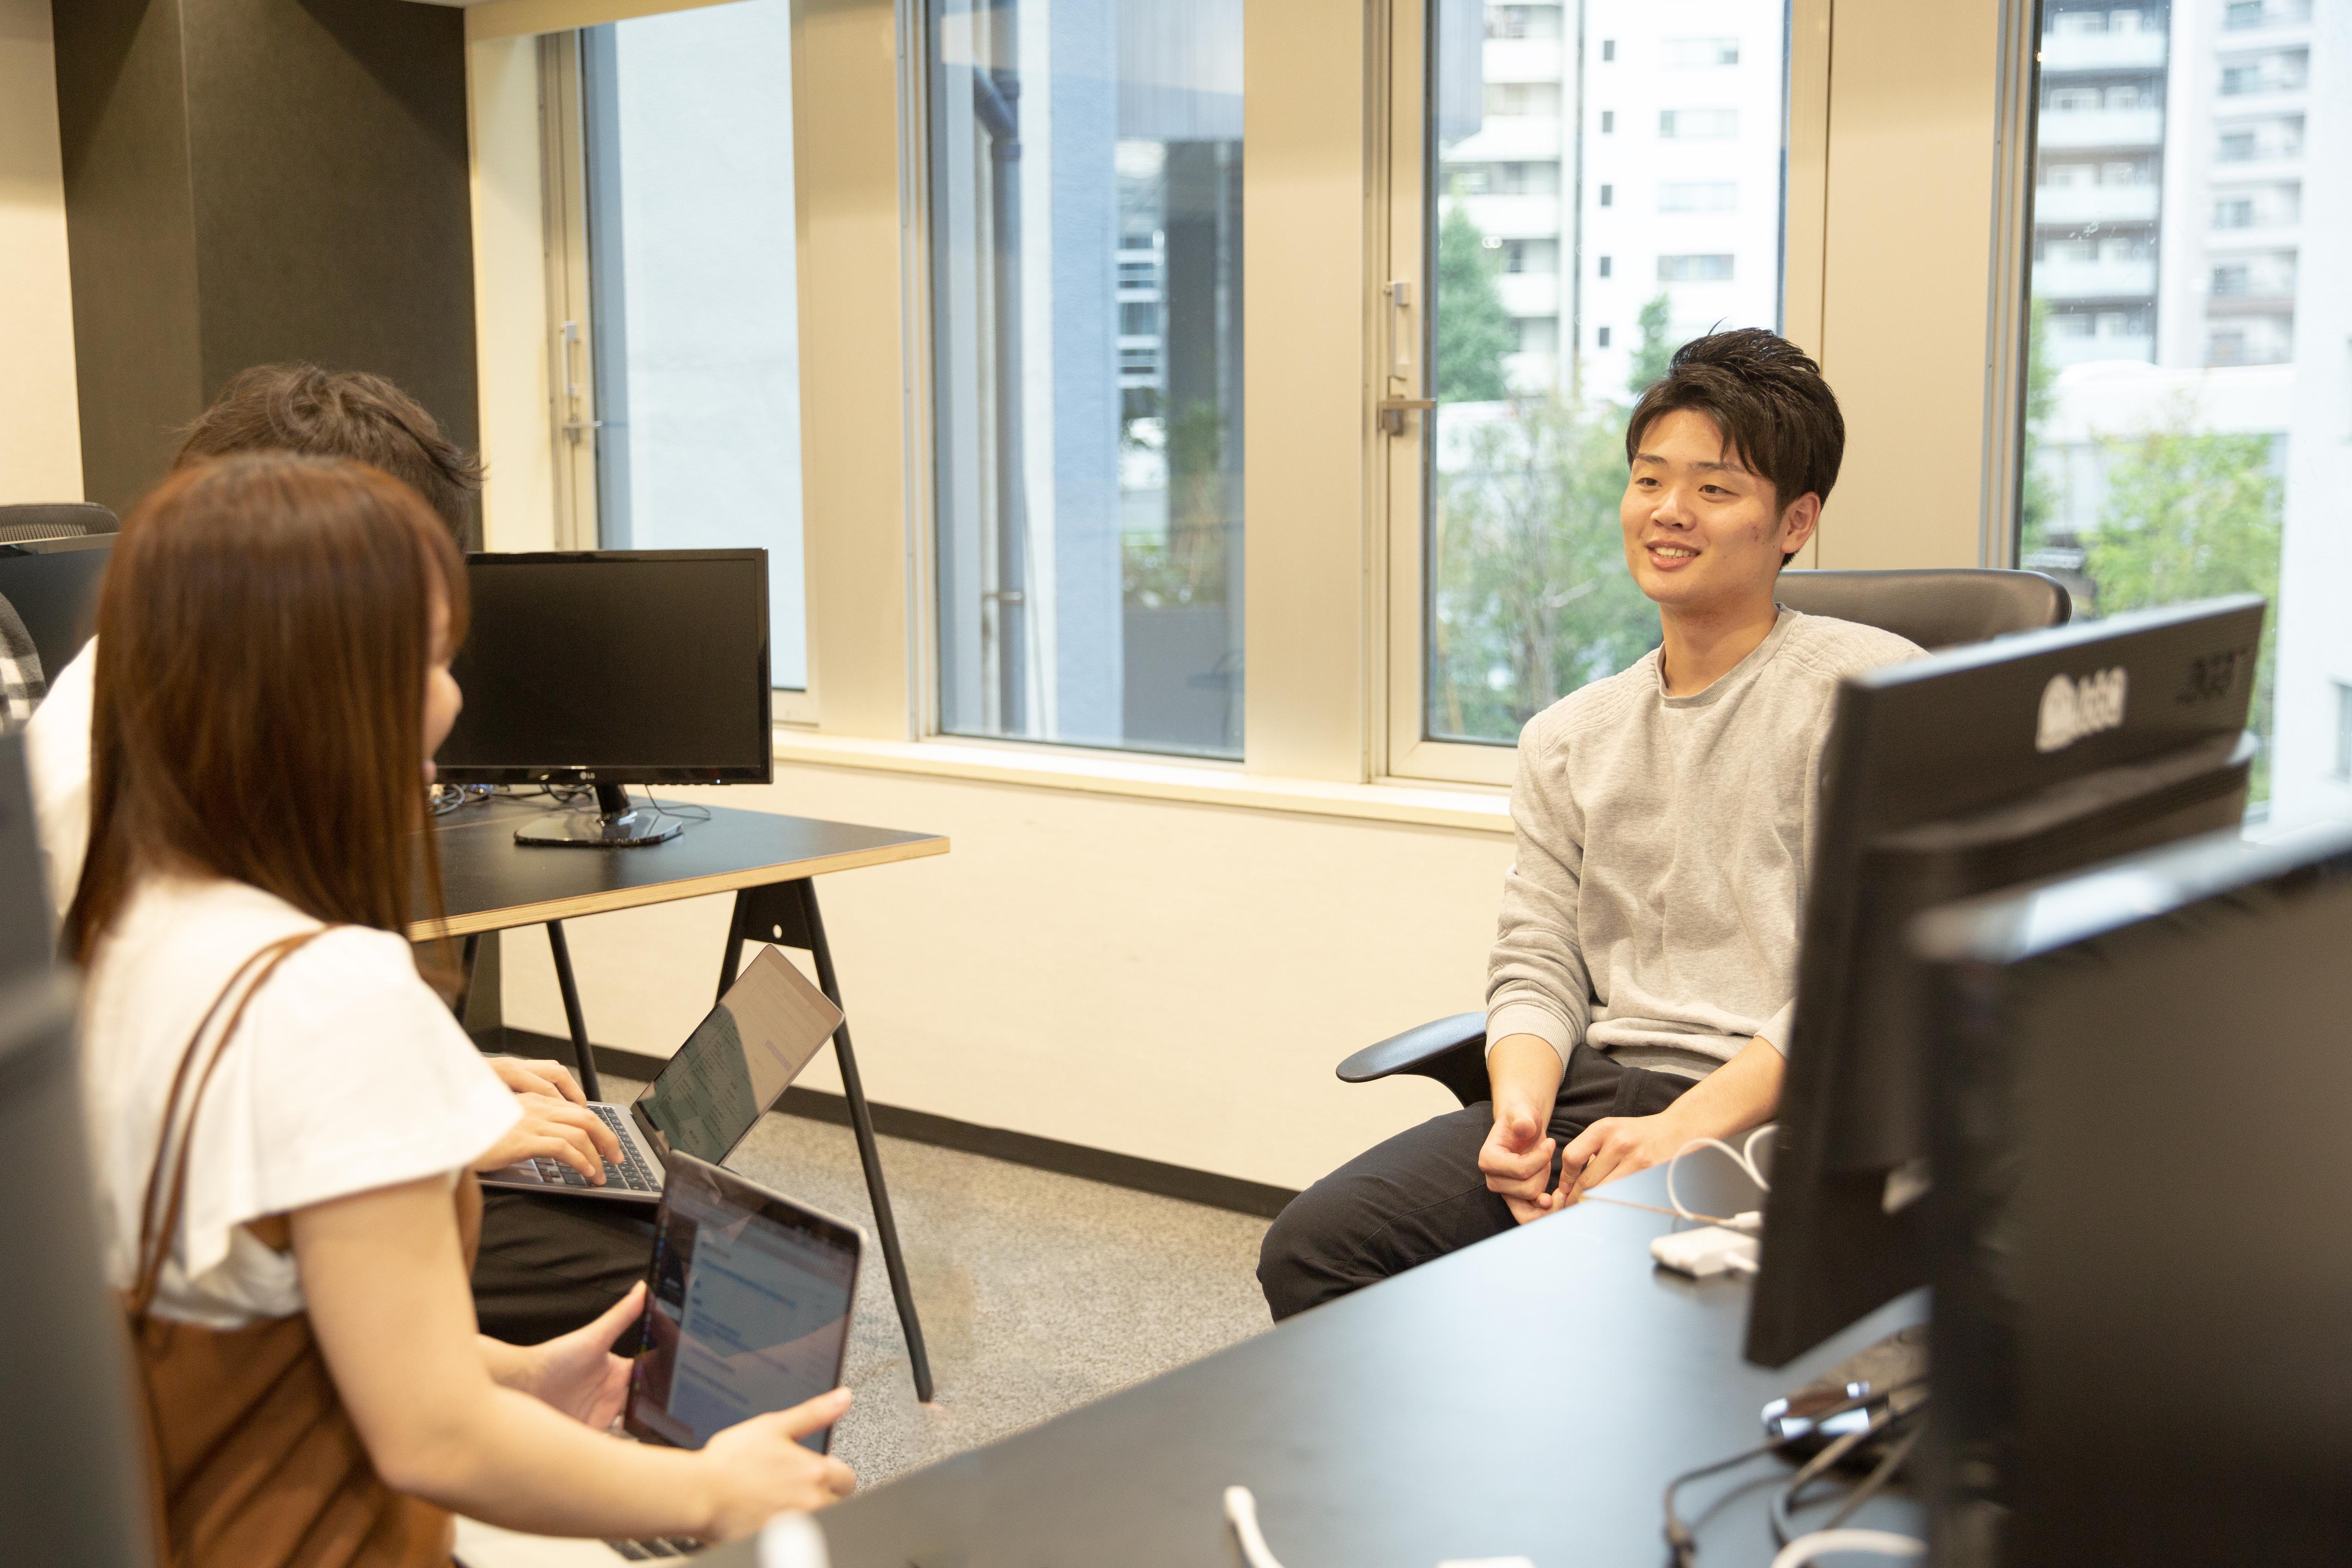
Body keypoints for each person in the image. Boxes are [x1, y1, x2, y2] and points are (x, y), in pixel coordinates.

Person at [71, 453, 853, 1562]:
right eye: (434, 659)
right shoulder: (329, 992)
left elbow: (266, 1311)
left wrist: (518, 1377)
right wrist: (710, 1495)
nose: (454, 699)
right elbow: (432, 1439)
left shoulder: (121, 929)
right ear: (334, 688)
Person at [1256, 330, 1924, 1320]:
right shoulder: (1570, 736)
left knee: (1619, 1304)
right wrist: (1521, 1116)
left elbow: (1875, 972)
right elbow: (1538, 957)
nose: (1668, 511)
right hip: (1599, 1088)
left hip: (1784, 1109)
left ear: (1795, 521)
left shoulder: (1873, 693)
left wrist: (1682, 1131)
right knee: (1317, 1249)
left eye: (1714, 488)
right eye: (1649, 479)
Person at [22, 364, 652, 1348]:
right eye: (410, 637)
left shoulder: (167, 715)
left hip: (218, 1202)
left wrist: (436, 1077)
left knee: (623, 1213)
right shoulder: (101, 793)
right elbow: (159, 1115)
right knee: (646, 1259)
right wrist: (425, 1112)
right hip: (175, 1253)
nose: (447, 693)